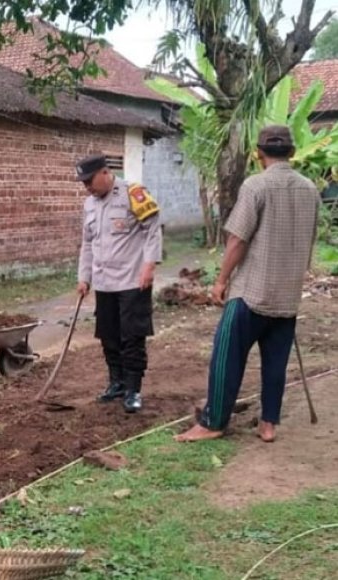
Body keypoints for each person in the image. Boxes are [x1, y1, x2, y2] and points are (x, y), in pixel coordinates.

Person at [175, 125, 320, 444]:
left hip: (251, 293)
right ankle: (268, 424)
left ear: (258, 154)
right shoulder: (310, 189)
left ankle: (213, 421)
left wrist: (221, 281)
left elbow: (238, 239)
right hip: (287, 295)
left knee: (226, 355)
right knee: (275, 362)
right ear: (292, 153)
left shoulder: (256, 185)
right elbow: (310, 241)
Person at [75, 154, 163, 413]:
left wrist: (149, 266)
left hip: (132, 281)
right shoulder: (89, 204)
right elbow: (87, 243)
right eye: (83, 184)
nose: (87, 188)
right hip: (104, 283)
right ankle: (117, 383)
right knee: (109, 336)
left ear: (105, 173)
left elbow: (153, 230)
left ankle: (133, 389)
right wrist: (84, 277)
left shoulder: (133, 193)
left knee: (132, 337)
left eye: (89, 181)